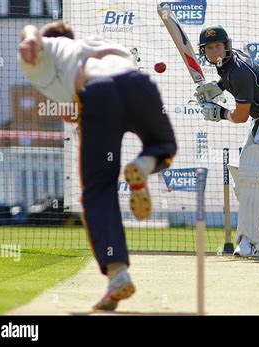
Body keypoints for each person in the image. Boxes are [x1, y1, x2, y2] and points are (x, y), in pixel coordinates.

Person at [18, 21, 177, 310]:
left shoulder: (45, 55)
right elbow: (78, 108)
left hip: (99, 94)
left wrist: (30, 37)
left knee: (98, 190)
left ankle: (117, 274)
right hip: (138, 84)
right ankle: (143, 164)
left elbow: (31, 36)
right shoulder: (91, 43)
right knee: (164, 147)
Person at [196, 25, 259, 258]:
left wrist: (219, 113)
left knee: (253, 166)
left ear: (227, 46)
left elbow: (240, 117)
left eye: (218, 46)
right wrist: (217, 87)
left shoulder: (238, 71)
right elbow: (229, 80)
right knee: (248, 177)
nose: (214, 52)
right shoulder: (227, 64)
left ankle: (249, 241)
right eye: (209, 48)